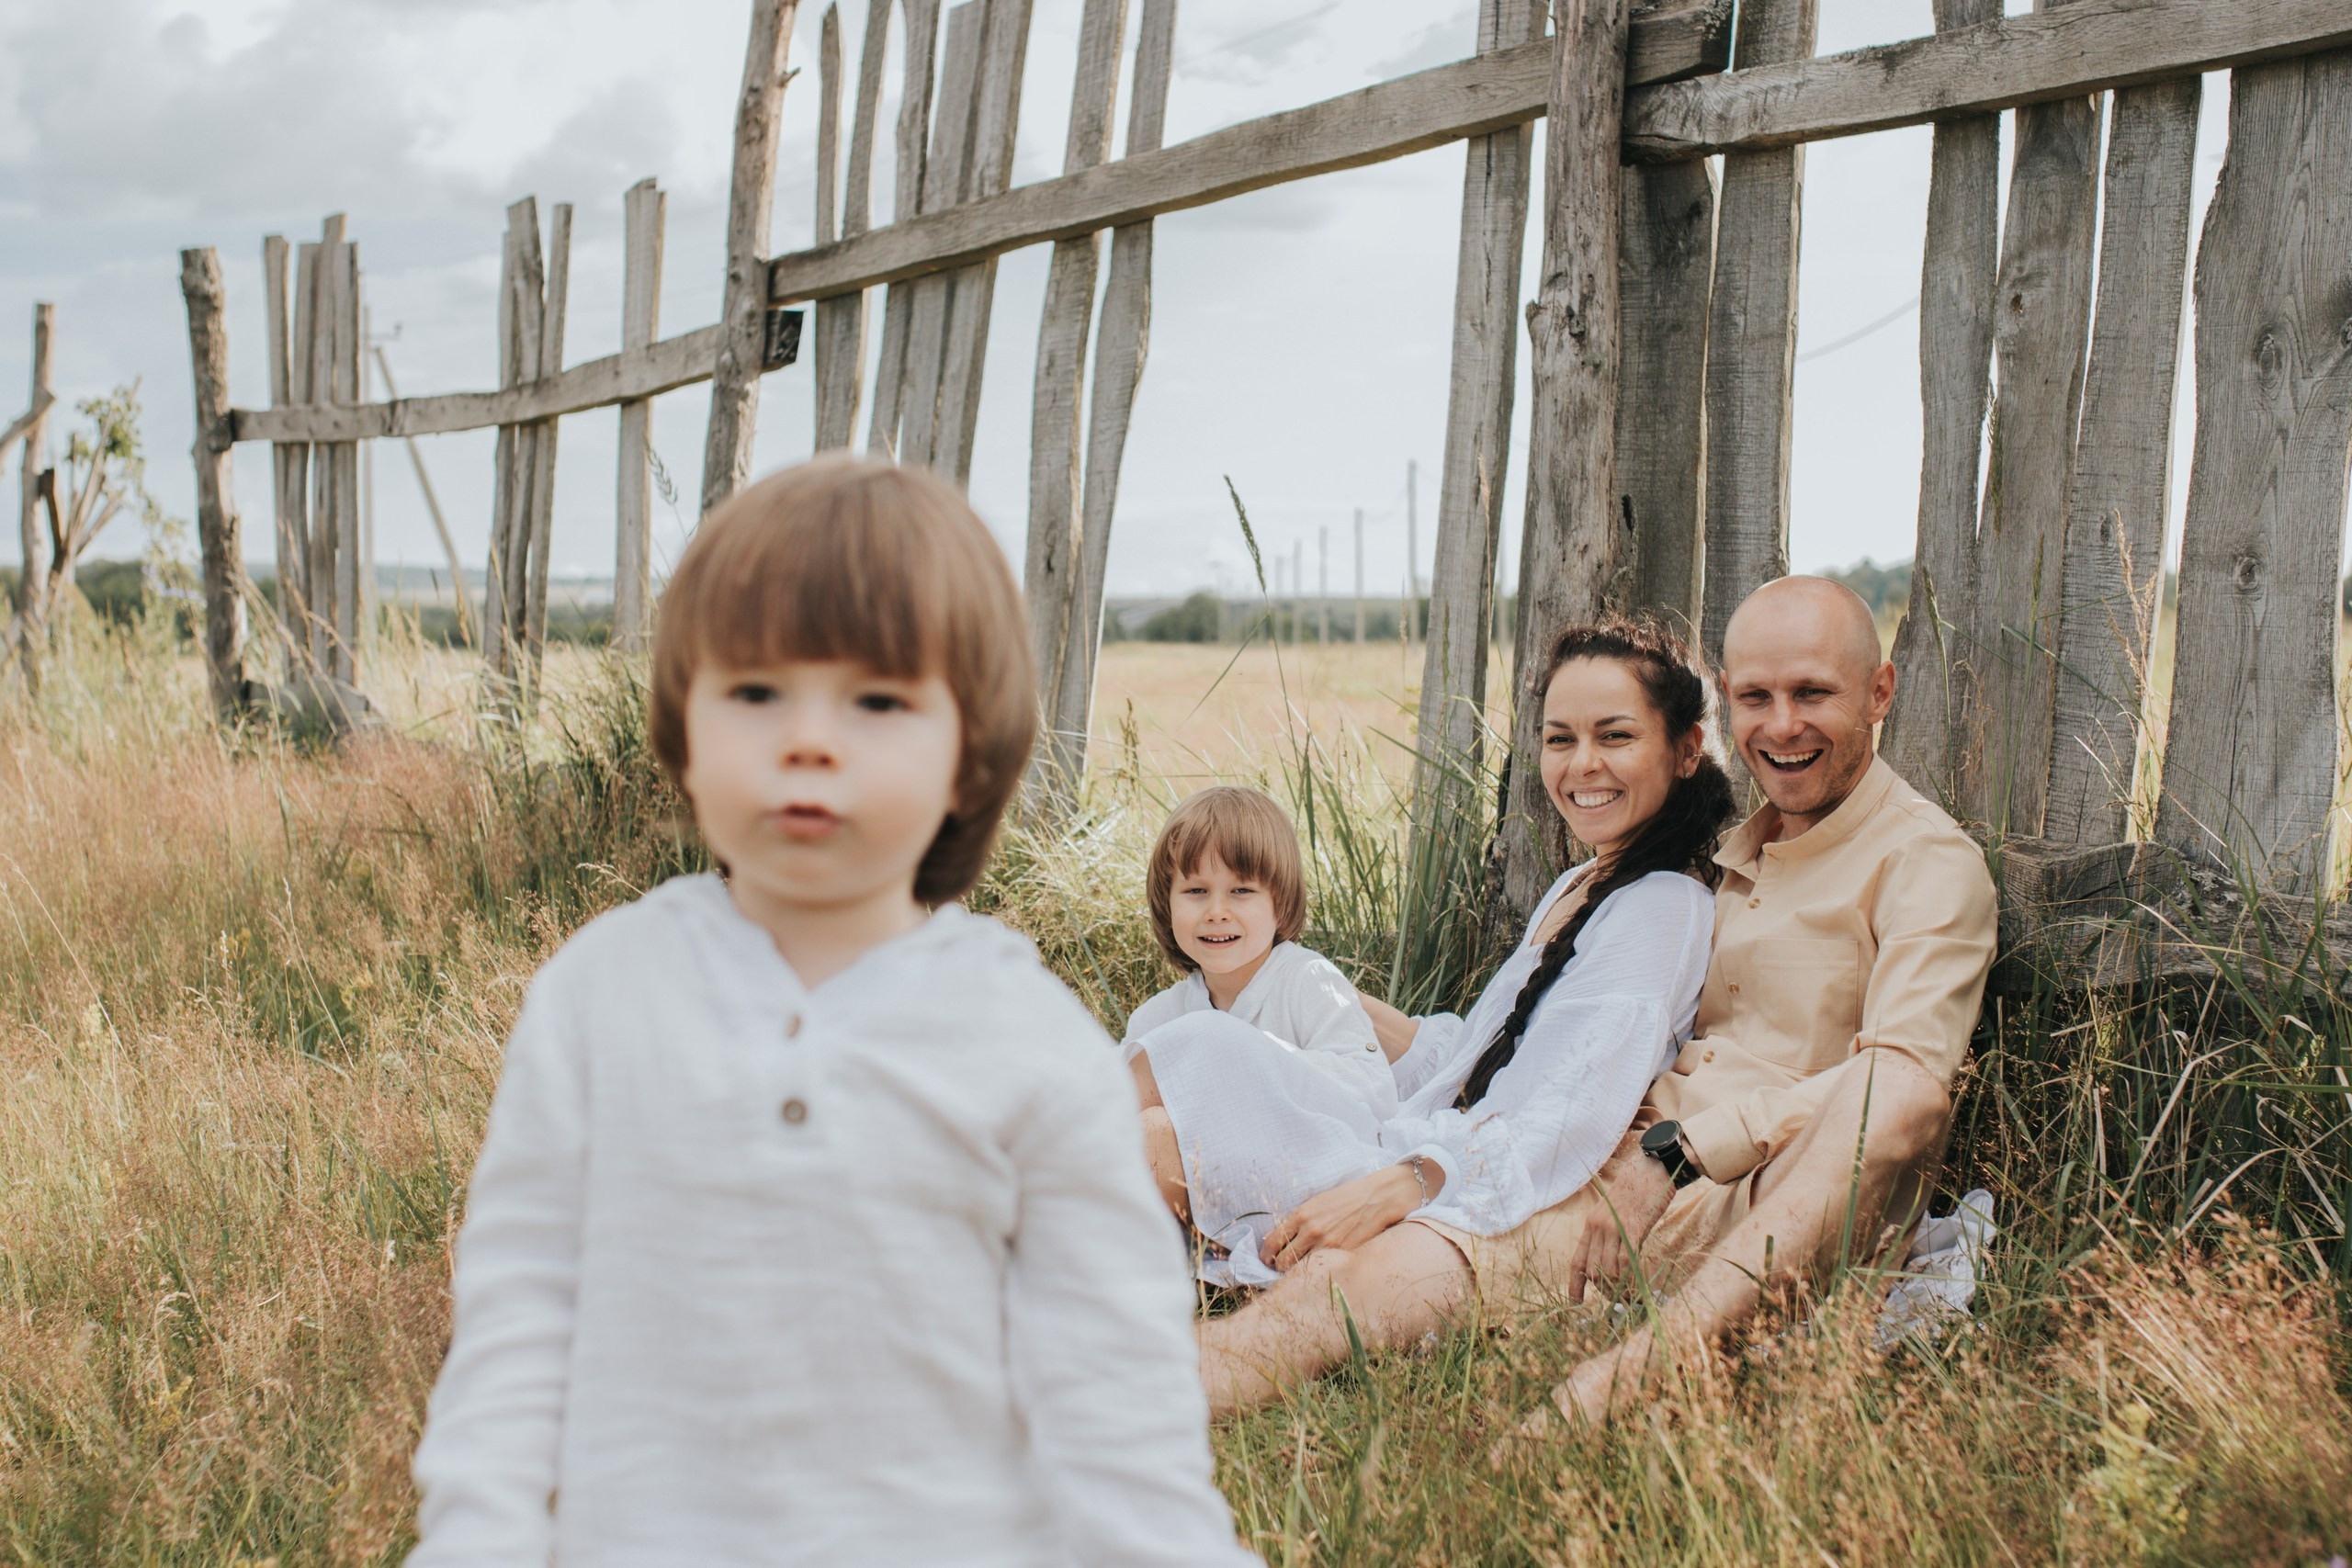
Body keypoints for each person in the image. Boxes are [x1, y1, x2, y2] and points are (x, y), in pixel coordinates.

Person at [409, 457, 1258, 1567]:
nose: (810, 738)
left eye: (877, 700)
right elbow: (518, 1323)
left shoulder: (1030, 1044)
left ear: (968, 751)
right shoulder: (599, 995)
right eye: (757, 692)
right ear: (684, 727)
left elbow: (1115, 1396)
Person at [1509, 574, 1999, 1432]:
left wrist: (1682, 1149)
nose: (1782, 725)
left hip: (1766, 1203)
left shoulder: (1926, 863)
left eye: (1813, 693)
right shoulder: (1735, 854)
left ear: (1880, 692)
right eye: (1756, 697)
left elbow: (1901, 1092)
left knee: (1400, 1268)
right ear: (1728, 704)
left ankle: (1654, 1363)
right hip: (1626, 1170)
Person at [1178, 618, 1734, 1366]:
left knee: (1195, 1060)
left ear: (1687, 748)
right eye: (1560, 738)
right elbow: (1477, 1053)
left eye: (1616, 736)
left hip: (1481, 1185)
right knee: (1186, 1075)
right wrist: (1302, 980)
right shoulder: (1583, 882)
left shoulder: (1663, 905)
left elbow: (1564, 1111)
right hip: (1422, 1133)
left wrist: (1406, 1182)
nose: (1582, 765)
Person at [1123, 786, 1394, 1259]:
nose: (1216, 911)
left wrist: (1249, 1057)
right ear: (1168, 904)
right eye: (1196, 891)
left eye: (1241, 891)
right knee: (1147, 1130)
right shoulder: (1158, 1018)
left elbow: (1374, 1092)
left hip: (1297, 1177)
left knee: (1205, 1050)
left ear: (1280, 903)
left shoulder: (1306, 981)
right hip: (1209, 1188)